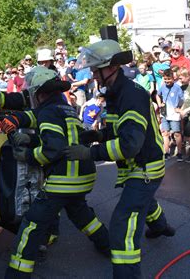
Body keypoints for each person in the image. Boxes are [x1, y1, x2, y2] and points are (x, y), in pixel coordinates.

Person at [64, 39, 174, 278]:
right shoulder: (117, 92)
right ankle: (161, 226)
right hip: (139, 166)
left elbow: (130, 145)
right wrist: (99, 134)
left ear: (111, 67)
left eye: (96, 69)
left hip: (145, 169)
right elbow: (121, 130)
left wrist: (90, 153)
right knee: (143, 202)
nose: (93, 74)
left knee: (122, 226)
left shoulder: (130, 95)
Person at [0, 66, 109, 278]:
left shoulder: (48, 112)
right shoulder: (63, 107)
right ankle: (106, 244)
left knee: (31, 225)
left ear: (40, 93)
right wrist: (30, 139)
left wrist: (28, 156)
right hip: (83, 175)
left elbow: (54, 149)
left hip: (64, 180)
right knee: (82, 215)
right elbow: (59, 139)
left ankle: (17, 274)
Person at [157, 69, 184, 161]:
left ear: (173, 78)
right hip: (164, 114)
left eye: (168, 79)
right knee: (165, 133)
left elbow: (183, 99)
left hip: (174, 115)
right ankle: (166, 152)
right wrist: (160, 103)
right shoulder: (163, 86)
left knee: (177, 133)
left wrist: (180, 109)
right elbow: (157, 95)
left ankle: (179, 153)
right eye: (165, 79)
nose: (167, 81)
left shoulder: (177, 87)